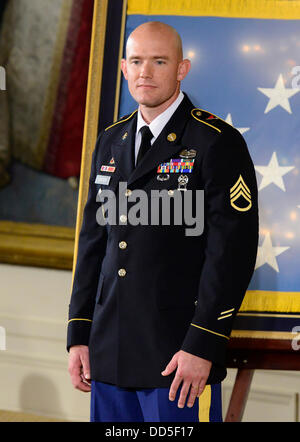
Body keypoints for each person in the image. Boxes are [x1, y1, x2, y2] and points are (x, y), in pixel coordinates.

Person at [67, 21, 259, 422]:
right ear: (123, 68)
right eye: (136, 61)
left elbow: (231, 255)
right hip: (110, 349)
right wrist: (79, 335)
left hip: (178, 357)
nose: (145, 72)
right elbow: (93, 243)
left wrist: (202, 344)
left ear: (181, 68)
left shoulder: (215, 141)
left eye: (159, 61)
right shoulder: (110, 139)